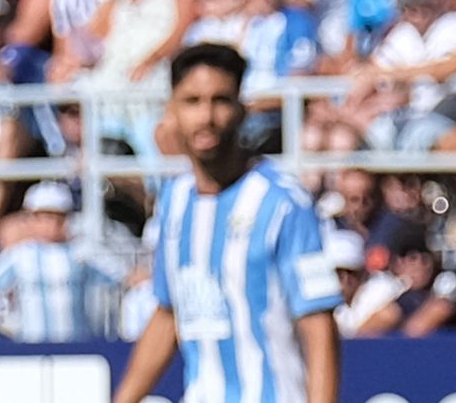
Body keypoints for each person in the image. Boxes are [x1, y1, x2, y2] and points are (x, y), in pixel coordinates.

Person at [111, 43, 340, 403]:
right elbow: (168, 312)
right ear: (171, 110)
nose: (207, 117)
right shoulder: (175, 199)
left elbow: (318, 324)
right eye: (192, 101)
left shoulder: (282, 202)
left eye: (220, 100)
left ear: (241, 108)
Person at [0, 181, 117, 343]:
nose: (50, 224)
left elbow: (118, 277)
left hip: (77, 345)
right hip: (31, 345)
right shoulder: (21, 254)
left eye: (57, 217)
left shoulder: (81, 252)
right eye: (43, 217)